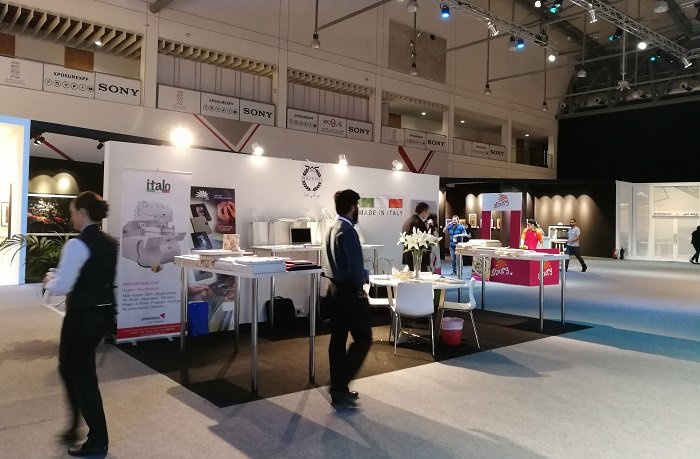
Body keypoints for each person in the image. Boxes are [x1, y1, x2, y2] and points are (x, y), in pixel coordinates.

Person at [43, 191, 117, 457]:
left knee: (81, 375)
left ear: (83, 213)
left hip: (82, 316)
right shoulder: (110, 242)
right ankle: (75, 425)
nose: (71, 217)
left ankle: (97, 439)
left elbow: (63, 285)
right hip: (103, 313)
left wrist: (49, 281)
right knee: (69, 367)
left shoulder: (77, 245)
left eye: (73, 212)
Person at [322, 189, 372, 409]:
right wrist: (360, 288)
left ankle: (339, 389)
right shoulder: (348, 230)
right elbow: (353, 265)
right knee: (363, 338)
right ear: (353, 206)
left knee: (338, 339)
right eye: (357, 205)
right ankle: (339, 384)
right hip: (349, 293)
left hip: (333, 290)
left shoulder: (331, 227)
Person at [401, 202, 430, 271]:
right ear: (423, 212)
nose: (428, 214)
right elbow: (423, 240)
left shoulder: (409, 221)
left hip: (410, 255)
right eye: (427, 212)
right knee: (421, 276)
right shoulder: (418, 223)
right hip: (418, 257)